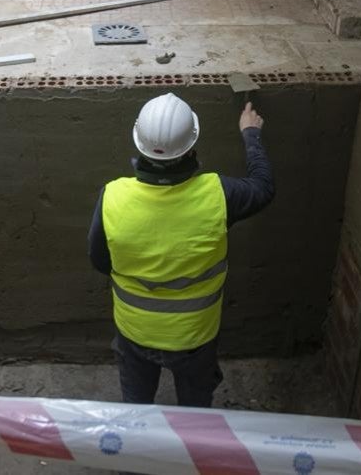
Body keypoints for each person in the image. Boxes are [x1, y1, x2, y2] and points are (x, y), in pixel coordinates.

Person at [88, 93, 275, 408]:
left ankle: (137, 450)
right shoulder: (219, 195)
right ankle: (192, 452)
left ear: (139, 143)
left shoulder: (113, 197)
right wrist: (251, 134)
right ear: (192, 144)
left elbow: (99, 260)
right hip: (194, 337)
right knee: (195, 413)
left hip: (135, 332)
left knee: (136, 408)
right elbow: (263, 186)